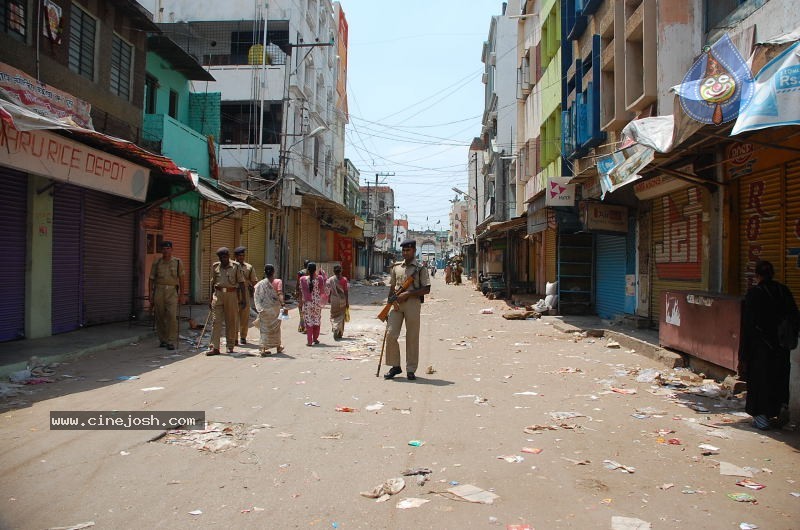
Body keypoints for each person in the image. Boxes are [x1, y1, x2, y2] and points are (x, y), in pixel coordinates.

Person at [741, 260, 799, 430]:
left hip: (761, 347)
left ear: (757, 275)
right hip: (781, 347)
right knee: (780, 378)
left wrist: (743, 354)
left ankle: (762, 417)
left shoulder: (754, 294)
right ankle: (780, 409)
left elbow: (748, 326)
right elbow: (794, 317)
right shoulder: (783, 291)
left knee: (761, 381)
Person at [383, 239, 431, 381]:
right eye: (403, 250)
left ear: (414, 251)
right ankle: (395, 366)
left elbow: (427, 289)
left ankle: (411, 369)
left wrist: (409, 293)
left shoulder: (421, 268)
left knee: (412, 337)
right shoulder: (396, 267)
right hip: (396, 305)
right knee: (391, 335)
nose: (405, 253)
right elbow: (392, 288)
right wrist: (387, 306)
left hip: (412, 304)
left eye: (408, 250)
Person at [207, 247, 246, 355]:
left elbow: (242, 283)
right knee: (216, 322)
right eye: (221, 257)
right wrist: (210, 299)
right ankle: (215, 347)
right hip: (218, 295)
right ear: (219, 258)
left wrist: (243, 300)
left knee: (231, 321)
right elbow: (212, 283)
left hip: (231, 295)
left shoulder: (236, 266)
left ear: (228, 256)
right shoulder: (215, 266)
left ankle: (230, 346)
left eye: (225, 257)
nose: (223, 259)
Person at [149, 241, 186, 350]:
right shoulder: (157, 262)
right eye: (164, 248)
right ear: (161, 250)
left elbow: (182, 279)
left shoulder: (178, 262)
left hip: (172, 291)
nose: (166, 251)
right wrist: (150, 294)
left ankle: (171, 341)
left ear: (172, 250)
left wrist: (182, 295)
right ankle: (163, 340)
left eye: (168, 248)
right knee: (159, 316)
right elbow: (151, 279)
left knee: (172, 316)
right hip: (159, 290)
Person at [253, 264, 285, 356]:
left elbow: (257, 296)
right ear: (274, 272)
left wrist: (259, 308)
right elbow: (279, 293)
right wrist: (283, 304)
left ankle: (263, 348)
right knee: (276, 329)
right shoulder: (278, 281)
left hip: (265, 309)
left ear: (264, 272)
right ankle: (278, 347)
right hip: (275, 309)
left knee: (264, 329)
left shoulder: (260, 284)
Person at [233, 246, 259, 345]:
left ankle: (243, 336)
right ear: (235, 256)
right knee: (233, 316)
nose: (242, 257)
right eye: (240, 256)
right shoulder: (231, 266)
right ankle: (234, 337)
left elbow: (254, 281)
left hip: (245, 293)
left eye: (243, 255)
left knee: (244, 316)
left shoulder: (249, 267)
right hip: (233, 293)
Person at [299, 262, 326, 346]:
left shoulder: (302, 279)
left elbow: (301, 290)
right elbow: (323, 290)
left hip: (307, 303)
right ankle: (315, 338)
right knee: (316, 320)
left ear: (307, 269)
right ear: (315, 269)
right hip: (317, 303)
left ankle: (309, 341)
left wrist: (300, 302)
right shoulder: (320, 278)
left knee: (309, 321)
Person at [326, 264, 349, 340]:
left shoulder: (330, 280)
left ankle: (335, 327)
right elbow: (346, 292)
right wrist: (347, 301)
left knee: (333, 316)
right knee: (341, 316)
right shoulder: (344, 280)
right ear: (341, 271)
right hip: (342, 300)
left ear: (334, 271)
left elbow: (329, 290)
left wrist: (329, 298)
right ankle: (339, 332)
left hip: (334, 300)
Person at [296, 259, 310, 334]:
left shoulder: (300, 272)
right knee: (307, 310)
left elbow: (297, 283)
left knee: (301, 309)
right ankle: (305, 326)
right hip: (308, 293)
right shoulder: (311, 272)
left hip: (301, 292)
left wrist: (296, 291)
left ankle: (301, 326)